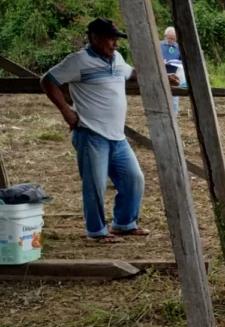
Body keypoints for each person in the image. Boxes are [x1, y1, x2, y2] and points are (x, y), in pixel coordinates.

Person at [39, 18, 179, 243]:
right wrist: (67, 112)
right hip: (91, 133)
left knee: (134, 179)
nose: (115, 44)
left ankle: (123, 224)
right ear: (94, 38)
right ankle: (97, 232)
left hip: (117, 136)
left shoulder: (117, 59)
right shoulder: (78, 61)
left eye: (116, 39)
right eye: (110, 39)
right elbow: (48, 81)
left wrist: (163, 76)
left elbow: (131, 73)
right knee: (95, 185)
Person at [160, 27, 186, 115]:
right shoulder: (158, 45)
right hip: (160, 76)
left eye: (173, 39)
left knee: (174, 99)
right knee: (161, 97)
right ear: (165, 36)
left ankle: (174, 117)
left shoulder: (178, 47)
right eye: (169, 38)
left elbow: (184, 61)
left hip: (173, 77)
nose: (171, 41)